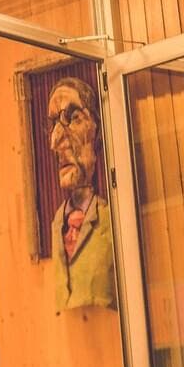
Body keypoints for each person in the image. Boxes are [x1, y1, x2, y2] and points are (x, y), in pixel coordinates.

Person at [46, 78, 116, 311]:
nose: (55, 141)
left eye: (74, 118)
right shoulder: (58, 224)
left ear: (98, 132)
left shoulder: (111, 219)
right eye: (53, 124)